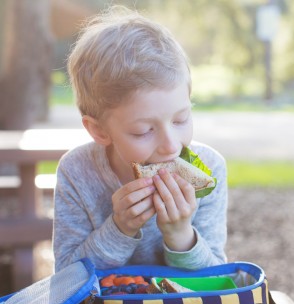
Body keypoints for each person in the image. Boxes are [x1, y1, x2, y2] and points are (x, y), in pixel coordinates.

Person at [53, 5, 228, 272]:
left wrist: (181, 235)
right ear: (100, 131)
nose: (171, 145)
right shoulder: (76, 171)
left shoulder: (210, 169)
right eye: (144, 131)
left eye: (181, 120)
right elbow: (67, 279)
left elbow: (215, 281)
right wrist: (120, 228)